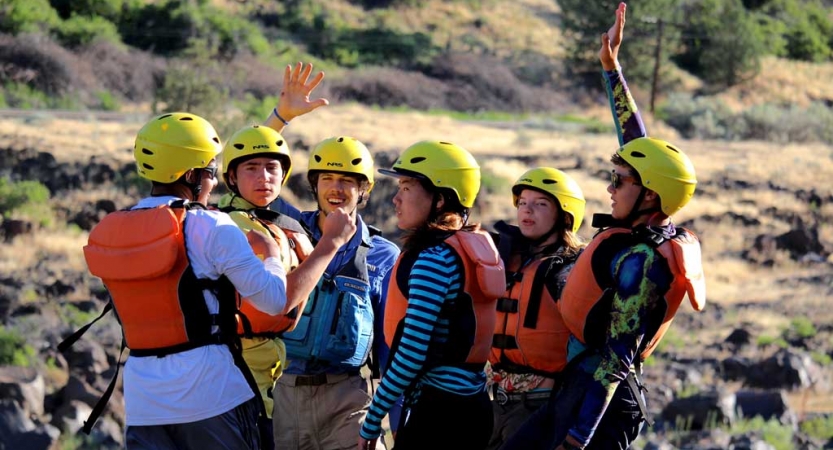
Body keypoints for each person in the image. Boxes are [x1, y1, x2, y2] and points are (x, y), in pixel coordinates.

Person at [501, 3, 706, 449]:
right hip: (578, 386)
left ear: (649, 195)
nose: (610, 188)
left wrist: (578, 437)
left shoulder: (642, 263)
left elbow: (617, 357)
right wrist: (611, 69)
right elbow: (639, 149)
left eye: (619, 181)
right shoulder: (640, 223)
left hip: (603, 402)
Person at [81, 112, 294, 449]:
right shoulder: (211, 226)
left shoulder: (113, 231)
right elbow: (273, 300)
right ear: (192, 175)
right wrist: (270, 253)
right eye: (210, 172)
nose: (212, 183)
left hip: (142, 401)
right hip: (212, 396)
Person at [359, 140, 505, 450]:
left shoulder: (433, 259)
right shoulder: (472, 249)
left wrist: (372, 421)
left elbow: (411, 355)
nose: (396, 199)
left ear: (440, 200)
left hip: (441, 415)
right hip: (475, 406)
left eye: (407, 188)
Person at [218, 123, 356, 447]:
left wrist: (282, 120)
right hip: (237, 372)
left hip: (269, 372)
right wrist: (330, 245)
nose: (264, 177)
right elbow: (280, 301)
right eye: (251, 169)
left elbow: (253, 146)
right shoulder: (231, 224)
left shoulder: (277, 222)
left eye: (271, 168)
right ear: (233, 178)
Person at [267, 135, 401, 450]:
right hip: (283, 394)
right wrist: (280, 117)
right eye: (327, 178)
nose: (336, 188)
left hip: (349, 397)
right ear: (314, 184)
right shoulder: (287, 231)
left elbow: (388, 347)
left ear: (364, 189)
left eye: (347, 181)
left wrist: (395, 423)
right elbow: (253, 183)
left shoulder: (384, 254)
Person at [485, 167, 586, 450]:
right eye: (523, 203)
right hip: (494, 403)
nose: (527, 210)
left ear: (565, 216)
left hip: (540, 409)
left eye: (540, 204)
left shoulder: (571, 271)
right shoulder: (504, 258)